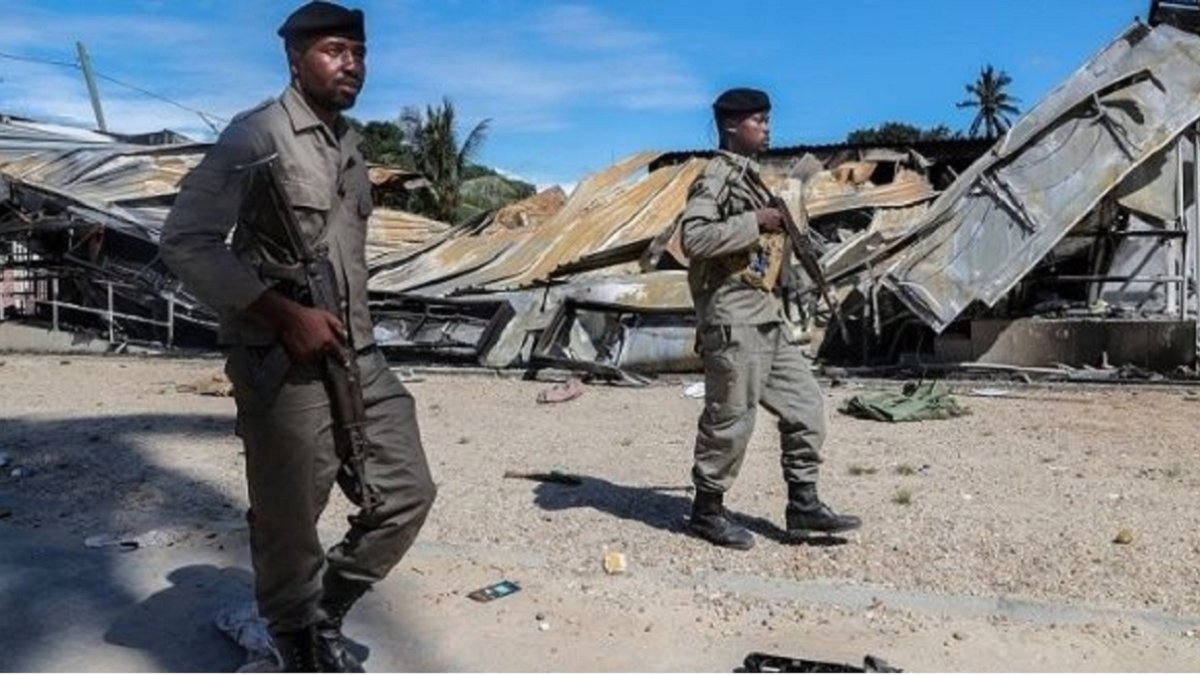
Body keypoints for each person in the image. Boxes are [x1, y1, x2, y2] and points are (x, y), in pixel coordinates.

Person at [160, 2, 436, 670]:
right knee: (290, 514)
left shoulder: (348, 143)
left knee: (406, 491)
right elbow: (186, 241)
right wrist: (283, 314)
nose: (352, 65)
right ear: (296, 58)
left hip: (356, 348)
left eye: (359, 53)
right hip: (280, 356)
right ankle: (298, 641)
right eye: (335, 51)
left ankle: (326, 607)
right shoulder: (255, 136)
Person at [680, 87, 860, 550]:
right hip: (733, 319)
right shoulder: (716, 177)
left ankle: (803, 505)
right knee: (731, 418)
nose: (767, 127)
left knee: (805, 406)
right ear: (730, 126)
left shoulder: (752, 177)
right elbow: (694, 240)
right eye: (758, 120)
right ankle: (707, 511)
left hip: (766, 316)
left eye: (766, 119)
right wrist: (756, 222)